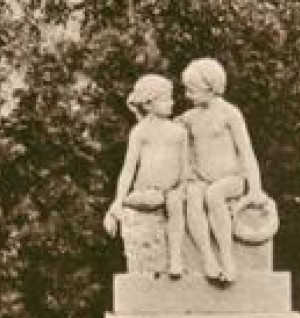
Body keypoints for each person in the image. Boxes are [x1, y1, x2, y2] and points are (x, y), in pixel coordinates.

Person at [179, 58, 266, 284]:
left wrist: (255, 188)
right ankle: (208, 258)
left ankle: (227, 258)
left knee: (214, 194)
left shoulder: (230, 114)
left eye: (192, 90)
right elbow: (160, 129)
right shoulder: (189, 118)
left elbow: (247, 152)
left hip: (232, 180)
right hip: (202, 179)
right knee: (195, 195)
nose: (187, 95)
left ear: (210, 88)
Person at [104, 74, 189, 277]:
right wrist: (118, 200)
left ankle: (175, 260)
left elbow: (185, 167)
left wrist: (182, 187)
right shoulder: (140, 132)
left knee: (174, 204)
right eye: (166, 98)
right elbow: (128, 169)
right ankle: (113, 212)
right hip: (145, 191)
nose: (172, 102)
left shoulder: (179, 132)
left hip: (171, 192)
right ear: (149, 104)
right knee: (130, 202)